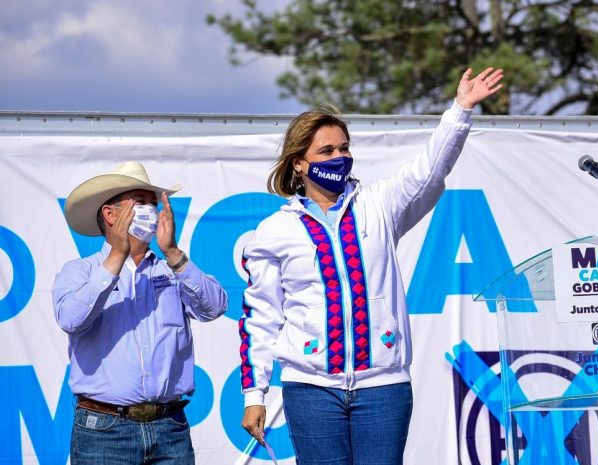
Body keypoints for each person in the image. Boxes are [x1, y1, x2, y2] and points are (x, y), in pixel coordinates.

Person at [239, 67, 504, 464]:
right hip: (310, 389)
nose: (339, 157)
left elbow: (430, 170)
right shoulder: (275, 230)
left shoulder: (378, 205)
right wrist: (254, 395)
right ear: (298, 163)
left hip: (383, 387)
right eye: (326, 151)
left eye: (344, 148)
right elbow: (261, 317)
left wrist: (460, 110)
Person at [53, 161, 228, 464]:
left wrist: (173, 252)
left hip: (169, 427)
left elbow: (215, 307)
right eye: (141, 202)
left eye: (152, 203)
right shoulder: (79, 272)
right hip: (103, 430)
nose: (151, 211)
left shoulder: (171, 269)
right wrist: (118, 257)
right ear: (110, 215)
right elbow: (71, 319)